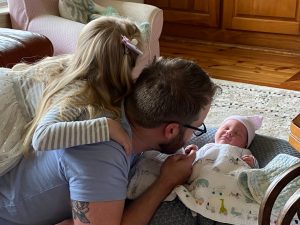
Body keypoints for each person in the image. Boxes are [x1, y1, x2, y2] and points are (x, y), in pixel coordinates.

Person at [0, 57, 218, 225]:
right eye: (197, 128)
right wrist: (166, 182)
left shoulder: (119, 103)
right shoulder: (102, 157)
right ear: (171, 130)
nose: (196, 134)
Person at [0, 16, 144, 176]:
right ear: (124, 69)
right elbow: (42, 137)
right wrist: (107, 127)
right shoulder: (79, 93)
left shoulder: (74, 64)